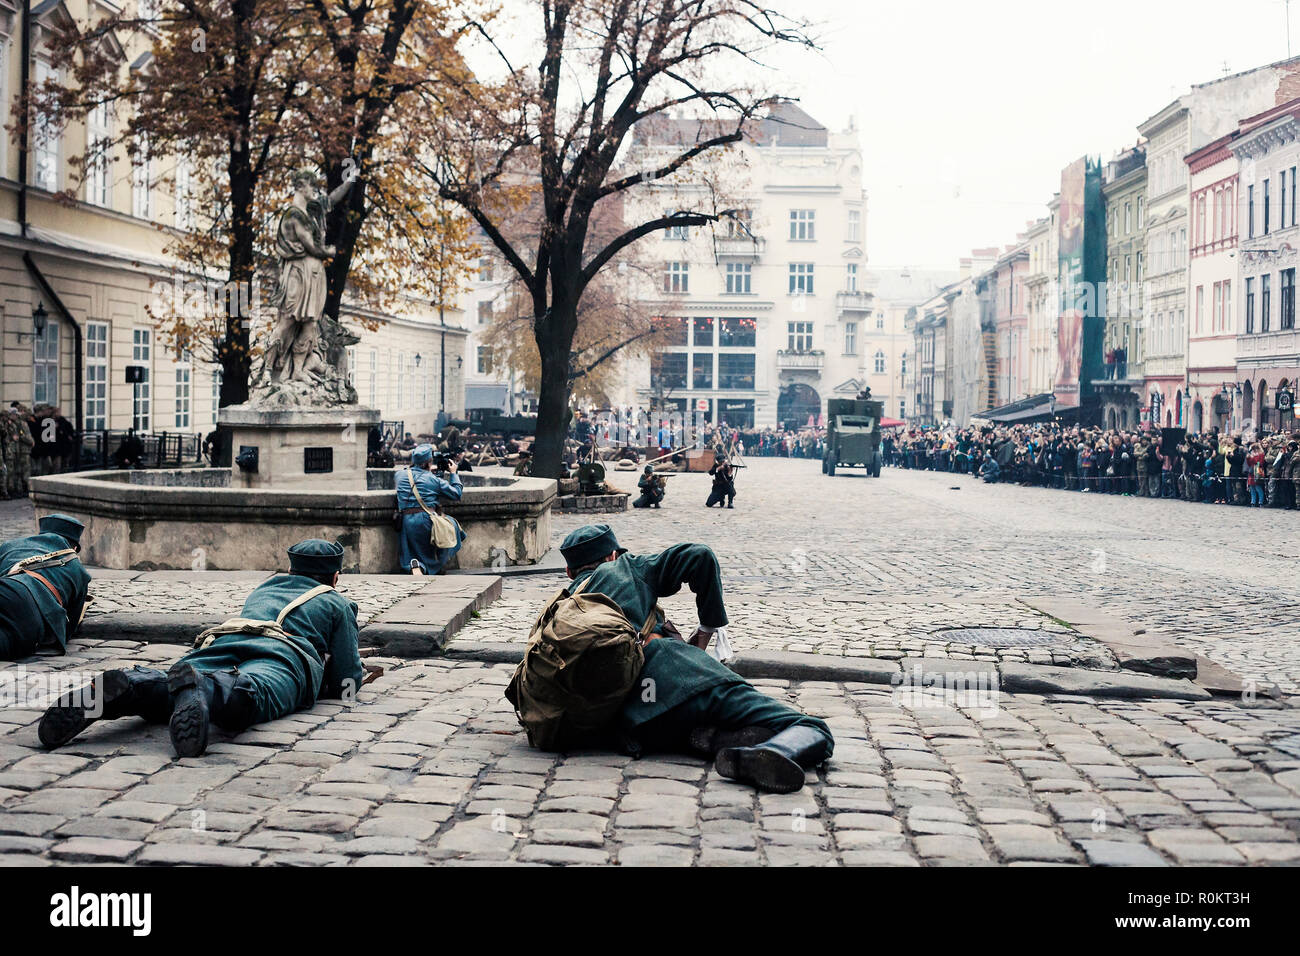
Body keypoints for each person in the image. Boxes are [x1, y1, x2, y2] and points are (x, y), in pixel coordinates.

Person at [549, 525, 834, 793]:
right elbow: (699, 555)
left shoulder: (558, 609)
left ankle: (711, 738)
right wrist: (707, 628)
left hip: (619, 720)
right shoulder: (625, 568)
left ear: (569, 572)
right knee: (811, 727)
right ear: (612, 555)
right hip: (669, 678)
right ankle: (773, 751)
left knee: (682, 719)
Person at [39, 539, 374, 757]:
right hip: (281, 656)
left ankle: (135, 684)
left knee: (176, 684)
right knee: (254, 692)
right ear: (335, 578)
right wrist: (336, 684)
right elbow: (346, 677)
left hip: (224, 640)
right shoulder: (336, 603)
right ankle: (204, 688)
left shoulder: (264, 589)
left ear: (289, 570)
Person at [0, 514, 93, 660]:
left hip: (6, 586)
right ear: (74, 548)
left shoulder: (10, 546)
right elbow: (70, 626)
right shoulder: (79, 570)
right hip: (29, 607)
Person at [395, 443, 466, 574]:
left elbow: (412, 476)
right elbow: (456, 494)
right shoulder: (433, 480)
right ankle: (435, 566)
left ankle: (415, 565)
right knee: (451, 525)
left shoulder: (399, 475)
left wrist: (426, 471)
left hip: (405, 520)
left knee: (414, 550)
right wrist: (453, 473)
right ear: (429, 462)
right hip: (426, 520)